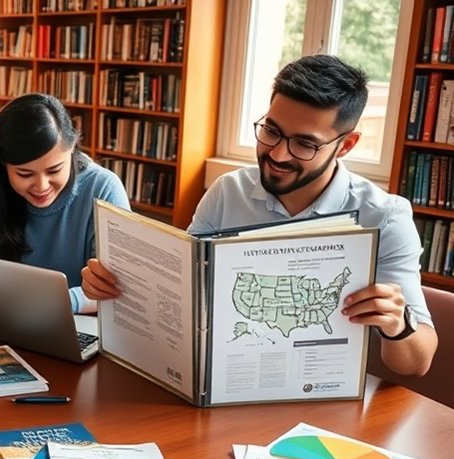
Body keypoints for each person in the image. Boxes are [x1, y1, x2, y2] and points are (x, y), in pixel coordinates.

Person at [82, 55, 437, 376]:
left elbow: (416, 364)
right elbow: (184, 295)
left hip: (322, 396)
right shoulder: (227, 192)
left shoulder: (385, 218)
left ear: (345, 145)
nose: (278, 154)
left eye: (304, 143)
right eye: (271, 131)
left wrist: (398, 325)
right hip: (225, 377)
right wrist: (117, 287)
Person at [0, 93, 130, 338]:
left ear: (71, 150)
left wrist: (51, 305)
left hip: (79, 331)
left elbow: (116, 289)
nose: (41, 186)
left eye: (54, 170)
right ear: (3, 166)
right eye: (24, 174)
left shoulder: (103, 189)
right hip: (4, 332)